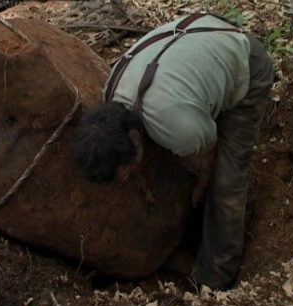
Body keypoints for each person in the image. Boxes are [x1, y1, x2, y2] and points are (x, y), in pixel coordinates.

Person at [72, 13, 273, 290]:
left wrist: (202, 187)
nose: (130, 177)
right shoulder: (112, 89)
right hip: (199, 42)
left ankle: (215, 277)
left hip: (245, 64)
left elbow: (208, 156)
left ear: (134, 137)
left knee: (226, 183)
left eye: (129, 172)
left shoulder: (181, 130)